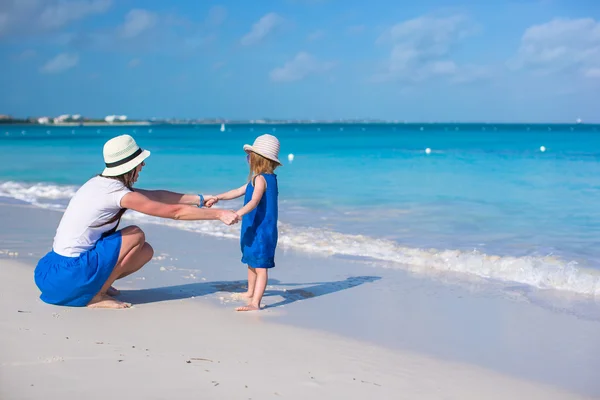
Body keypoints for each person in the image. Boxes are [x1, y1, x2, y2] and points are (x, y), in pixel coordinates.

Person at [34, 134, 238, 309]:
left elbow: (156, 195)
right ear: (129, 166)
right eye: (140, 161)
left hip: (49, 275)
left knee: (145, 251)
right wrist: (219, 214)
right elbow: (174, 212)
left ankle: (96, 284)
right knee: (135, 234)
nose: (143, 165)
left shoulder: (99, 183)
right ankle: (95, 295)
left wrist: (200, 199)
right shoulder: (117, 193)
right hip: (68, 276)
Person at [206, 134, 281, 311]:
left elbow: (254, 201)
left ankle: (255, 302)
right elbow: (237, 191)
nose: (247, 157)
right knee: (250, 259)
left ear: (257, 159)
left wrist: (237, 214)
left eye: (250, 154)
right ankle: (250, 292)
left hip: (261, 230)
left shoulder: (261, 179)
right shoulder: (261, 178)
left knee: (260, 266)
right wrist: (217, 197)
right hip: (253, 226)